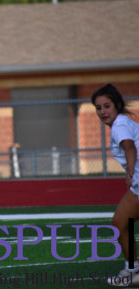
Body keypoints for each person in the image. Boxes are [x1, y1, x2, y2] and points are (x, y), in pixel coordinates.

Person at [91, 83, 139, 286]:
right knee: (120, 224)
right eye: (98, 108)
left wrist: (129, 171)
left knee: (120, 225)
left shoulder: (119, 126)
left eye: (107, 106)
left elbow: (128, 146)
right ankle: (133, 269)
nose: (102, 111)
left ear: (117, 105)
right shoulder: (124, 122)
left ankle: (133, 269)